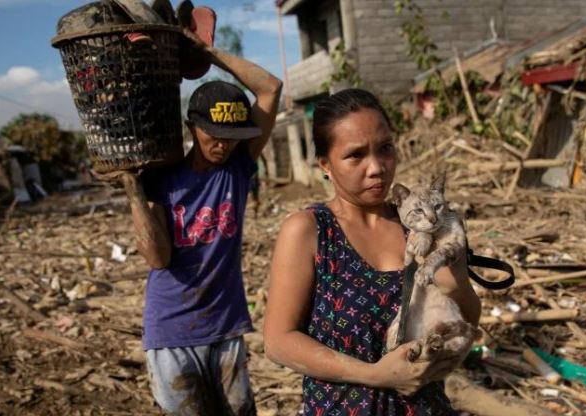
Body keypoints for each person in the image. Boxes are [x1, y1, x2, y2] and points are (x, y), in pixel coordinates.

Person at [263, 89, 481, 415]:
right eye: (355, 156)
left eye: (385, 149)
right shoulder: (310, 231)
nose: (377, 167)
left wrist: (457, 282)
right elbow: (278, 342)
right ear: (325, 164)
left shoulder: (421, 223)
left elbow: (467, 319)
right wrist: (375, 375)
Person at [118, 29, 282, 415]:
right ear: (193, 126)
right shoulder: (162, 179)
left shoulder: (238, 169)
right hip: (171, 333)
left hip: (225, 328)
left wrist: (205, 51)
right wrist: (132, 188)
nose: (223, 145)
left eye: (231, 137)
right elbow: (158, 259)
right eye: (215, 134)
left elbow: (271, 88)